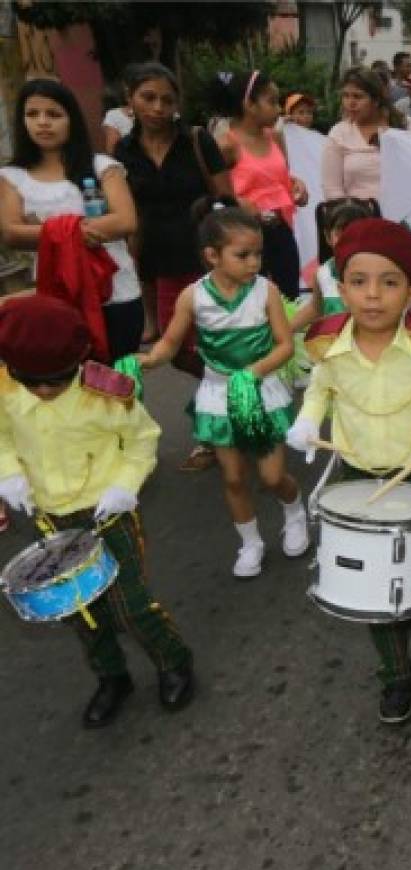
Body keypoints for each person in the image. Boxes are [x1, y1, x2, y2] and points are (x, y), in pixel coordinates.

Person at [286, 218, 411, 725]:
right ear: (340, 288)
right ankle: (394, 676)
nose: (372, 296)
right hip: (355, 478)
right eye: (358, 282)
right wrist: (305, 420)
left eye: (389, 283)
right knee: (372, 588)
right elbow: (320, 387)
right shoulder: (326, 344)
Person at [0, 295, 194, 727]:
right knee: (81, 610)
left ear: (78, 361)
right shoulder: (5, 389)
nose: (44, 391)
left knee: (131, 604)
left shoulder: (105, 393)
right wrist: (7, 473)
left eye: (55, 380)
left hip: (108, 511)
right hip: (50, 515)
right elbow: (3, 439)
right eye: (31, 380)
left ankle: (173, 660)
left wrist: (125, 486)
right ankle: (112, 677)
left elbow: (143, 440)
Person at [140, 200, 306, 578]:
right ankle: (250, 542)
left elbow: (284, 344)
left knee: (271, 476)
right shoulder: (192, 296)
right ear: (212, 256)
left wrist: (253, 373)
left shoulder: (266, 292)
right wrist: (148, 360)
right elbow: (169, 342)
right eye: (243, 255)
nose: (254, 263)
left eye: (258, 254)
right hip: (218, 394)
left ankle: (295, 512)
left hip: (260, 390)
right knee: (232, 477)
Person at [115, 62, 233, 473]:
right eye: (148, 97)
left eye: (167, 99)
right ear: (129, 98)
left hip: (208, 262)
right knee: (179, 351)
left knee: (216, 342)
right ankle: (234, 391)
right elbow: (126, 211)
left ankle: (215, 430)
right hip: (158, 265)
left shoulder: (198, 141)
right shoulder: (122, 153)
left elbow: (226, 198)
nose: (159, 107)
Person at [0, 79, 143, 361]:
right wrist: (76, 231)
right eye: (32, 114)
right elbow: (11, 233)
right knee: (69, 385)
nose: (42, 123)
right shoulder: (12, 177)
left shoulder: (102, 166)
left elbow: (126, 220)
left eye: (54, 114)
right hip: (57, 296)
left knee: (119, 383)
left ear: (71, 120)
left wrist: (54, 231)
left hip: (117, 290)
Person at [212, 69, 309, 301]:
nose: (278, 109)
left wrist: (297, 186)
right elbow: (217, 192)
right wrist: (240, 204)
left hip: (282, 228)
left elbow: (281, 177)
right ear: (249, 104)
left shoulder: (275, 137)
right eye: (272, 101)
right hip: (245, 234)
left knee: (288, 295)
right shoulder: (227, 144)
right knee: (251, 299)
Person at [322, 67, 411, 205]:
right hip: (358, 220)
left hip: (405, 216)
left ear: (376, 100)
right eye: (346, 96)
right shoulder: (338, 134)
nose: (350, 103)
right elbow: (332, 189)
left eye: (358, 96)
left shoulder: (405, 125)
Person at [289, 199, 376, 334]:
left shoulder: (381, 271)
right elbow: (315, 308)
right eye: (341, 232)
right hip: (335, 348)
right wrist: (284, 331)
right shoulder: (323, 273)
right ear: (328, 237)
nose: (349, 238)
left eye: (356, 231)